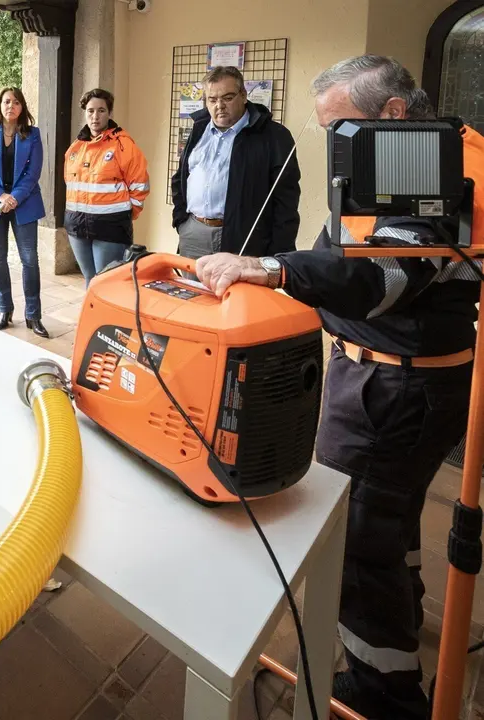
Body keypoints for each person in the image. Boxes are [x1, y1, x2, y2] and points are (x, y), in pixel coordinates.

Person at [193, 55, 484, 720]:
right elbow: (334, 258)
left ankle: (382, 690)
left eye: (340, 127)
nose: (333, 145)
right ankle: (397, 620)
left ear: (393, 115)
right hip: (376, 376)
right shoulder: (381, 162)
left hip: (397, 392)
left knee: (355, 535)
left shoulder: (432, 170)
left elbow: (380, 280)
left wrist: (267, 267)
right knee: (388, 523)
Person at [171, 66, 301, 268]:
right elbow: (181, 177)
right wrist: (181, 220)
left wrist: (278, 253)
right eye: (212, 100)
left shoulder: (274, 136)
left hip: (243, 239)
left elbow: (286, 200)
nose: (219, 106)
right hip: (194, 233)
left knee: (237, 298)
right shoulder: (199, 128)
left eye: (228, 98)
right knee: (193, 296)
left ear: (243, 95)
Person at [0, 87, 48, 338]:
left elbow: (33, 173)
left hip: (24, 204)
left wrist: (14, 197)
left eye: (16, 102)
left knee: (29, 260)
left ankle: (33, 315)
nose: (10, 106)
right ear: (0, 105)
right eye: (6, 102)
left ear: (22, 107)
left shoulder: (33, 135)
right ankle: (4, 310)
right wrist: (1, 196)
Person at [64, 88, 150, 286]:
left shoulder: (123, 145)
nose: (95, 116)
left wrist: (125, 215)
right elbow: (70, 183)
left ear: (109, 113)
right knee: (89, 281)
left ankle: (105, 319)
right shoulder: (76, 147)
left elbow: (139, 186)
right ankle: (91, 318)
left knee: (106, 283)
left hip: (110, 227)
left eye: (101, 110)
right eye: (90, 111)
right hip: (77, 226)